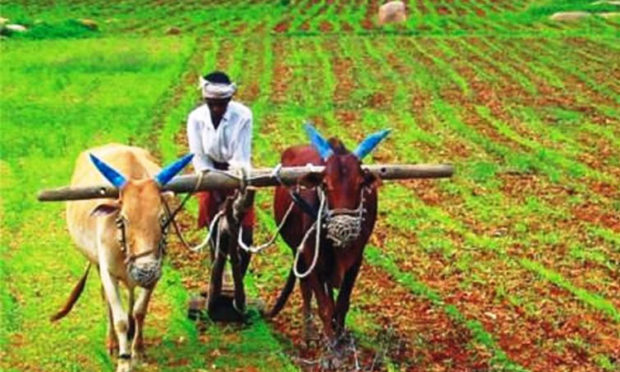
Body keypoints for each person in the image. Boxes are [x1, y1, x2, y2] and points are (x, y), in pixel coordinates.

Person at [186, 71, 254, 271]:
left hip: (237, 174)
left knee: (245, 236)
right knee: (215, 229)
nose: (216, 108)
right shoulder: (196, 119)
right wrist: (215, 190)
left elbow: (241, 157)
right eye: (211, 103)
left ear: (230, 99)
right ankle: (217, 270)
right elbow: (199, 157)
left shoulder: (243, 116)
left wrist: (233, 194)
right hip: (209, 174)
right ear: (205, 100)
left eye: (222, 103)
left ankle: (238, 280)